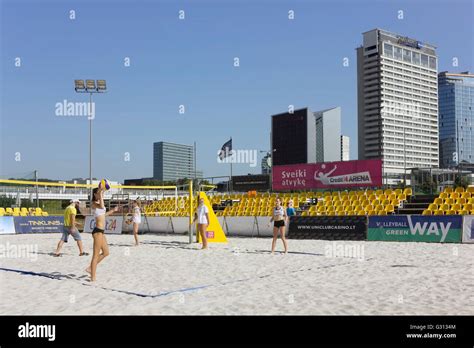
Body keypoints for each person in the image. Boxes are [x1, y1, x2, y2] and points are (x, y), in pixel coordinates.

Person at [86, 187, 118, 281]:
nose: (102, 194)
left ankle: (90, 268)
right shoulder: (94, 204)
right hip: (97, 232)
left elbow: (103, 214)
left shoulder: (100, 204)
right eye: (100, 193)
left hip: (101, 232)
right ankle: (93, 278)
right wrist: (101, 192)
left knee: (106, 252)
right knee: (95, 255)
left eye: (102, 193)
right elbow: (101, 206)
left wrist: (113, 210)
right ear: (95, 195)